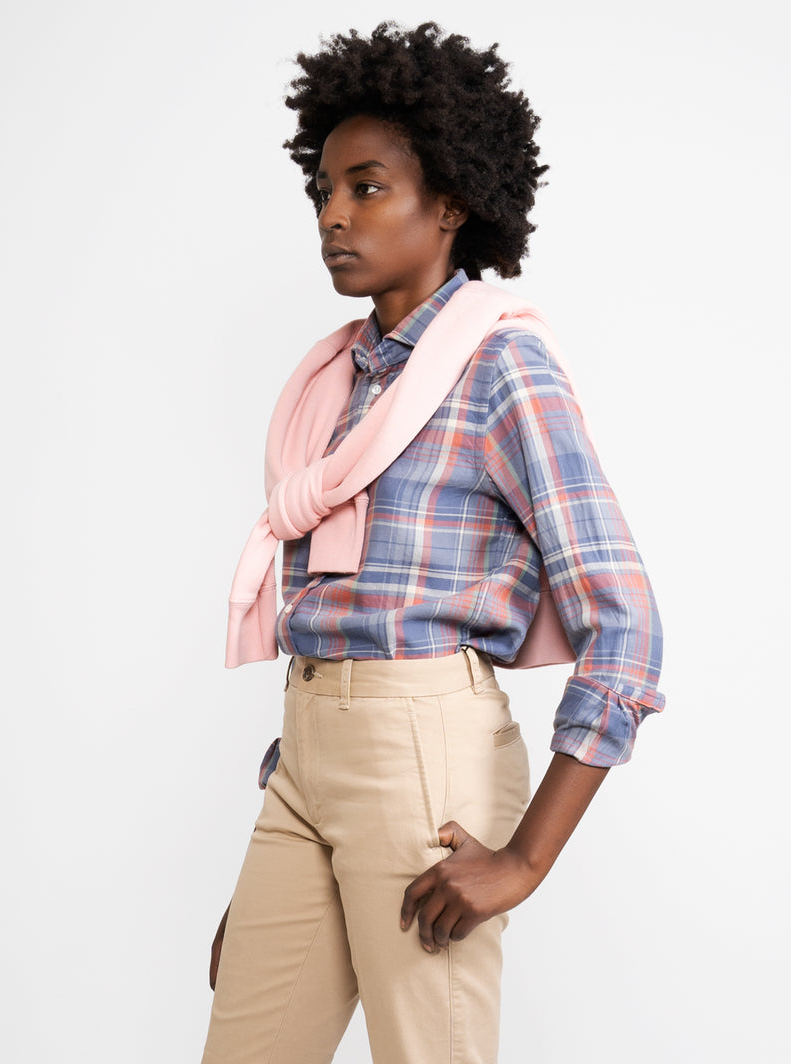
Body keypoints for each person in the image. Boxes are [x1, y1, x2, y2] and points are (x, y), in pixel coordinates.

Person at [200, 21, 664, 1064]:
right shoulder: (334, 388)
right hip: (306, 758)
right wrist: (286, 814)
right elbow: (332, 610)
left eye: (366, 188)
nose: (333, 214)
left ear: (449, 203)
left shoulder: (502, 369)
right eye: (323, 190)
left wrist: (526, 859)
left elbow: (627, 625)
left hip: (422, 756)